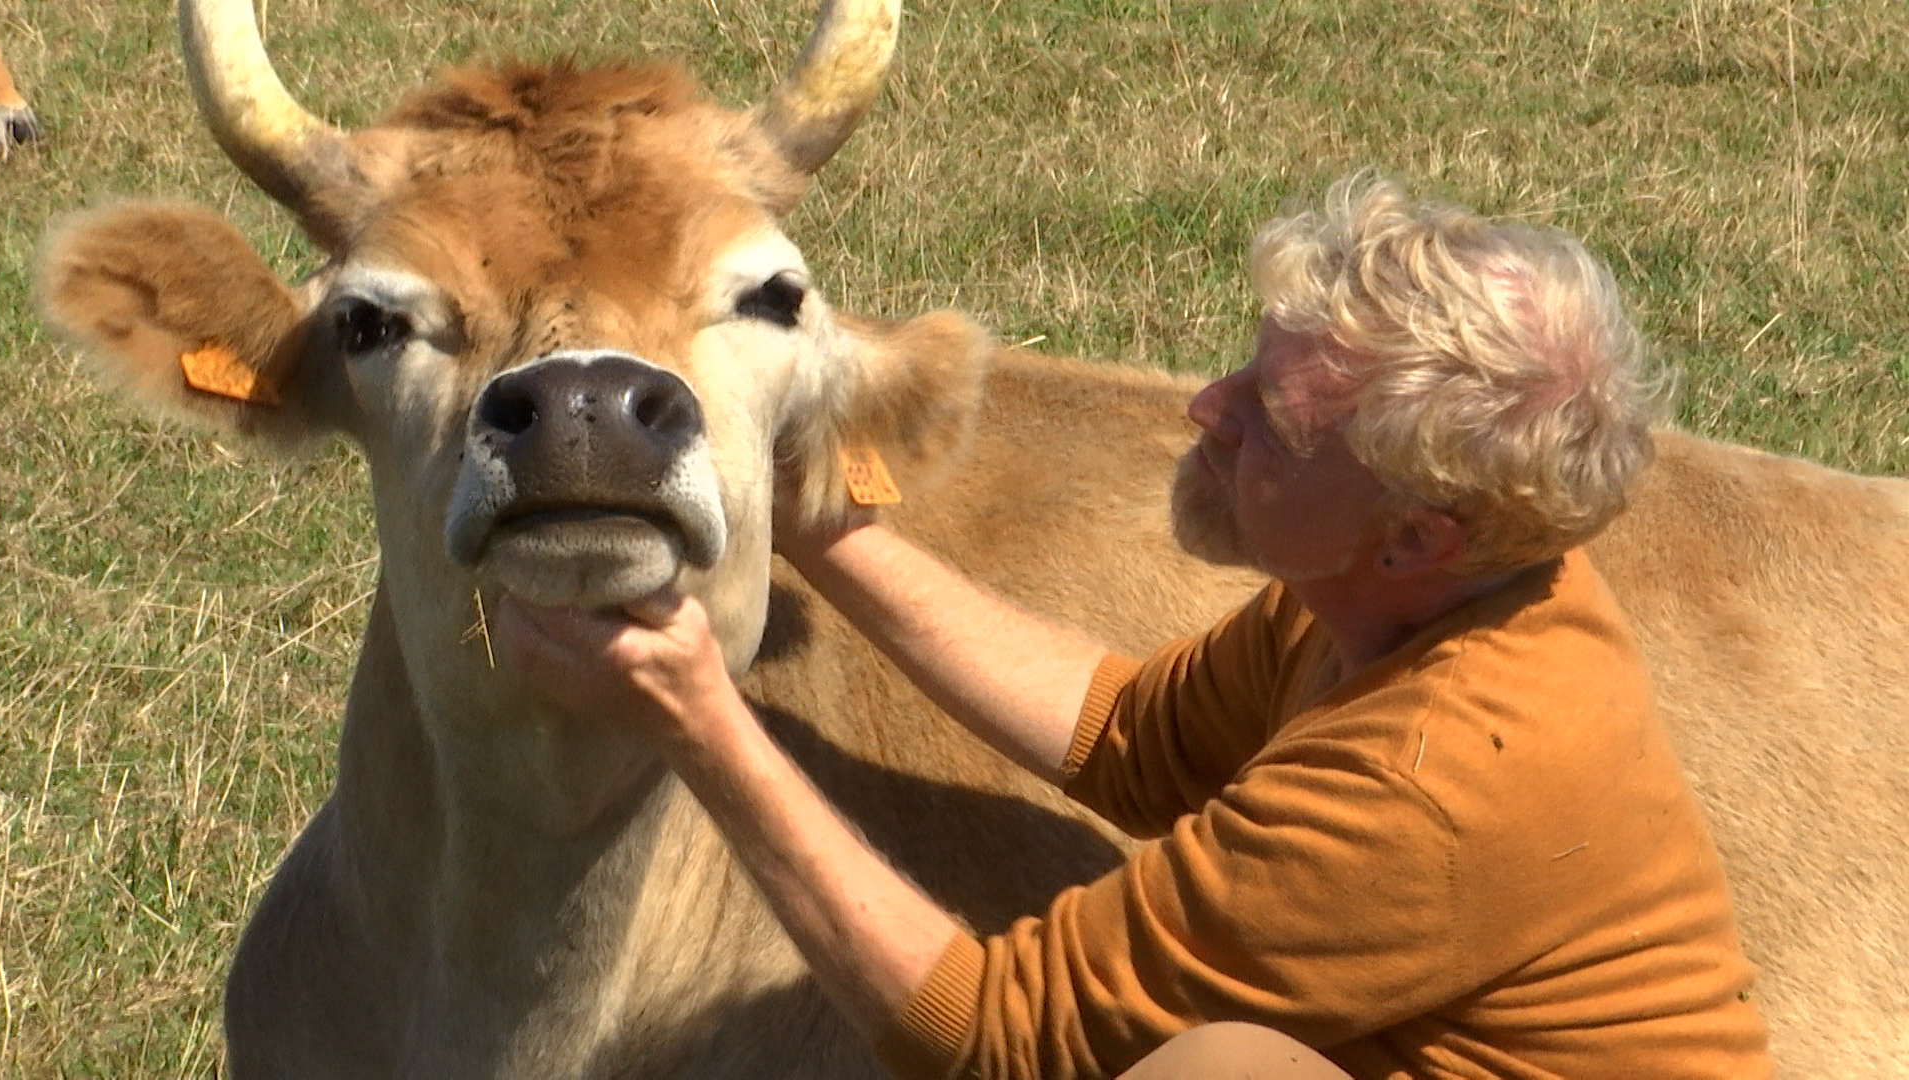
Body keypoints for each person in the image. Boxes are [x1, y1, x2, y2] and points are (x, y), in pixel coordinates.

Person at [494, 174, 1773, 1079]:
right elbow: (1129, 734)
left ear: (1415, 533)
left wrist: (704, 725)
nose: (1202, 409)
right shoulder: (1431, 594)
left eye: (1271, 422)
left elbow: (995, 1034)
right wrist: (834, 530)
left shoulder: (1429, 782)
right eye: (1244, 371)